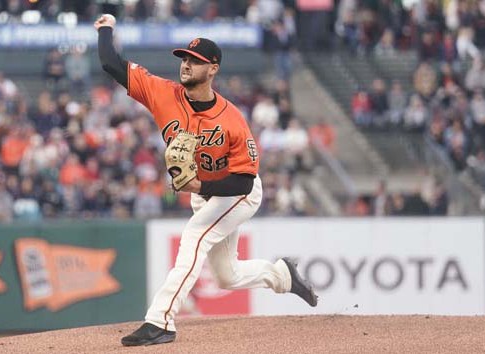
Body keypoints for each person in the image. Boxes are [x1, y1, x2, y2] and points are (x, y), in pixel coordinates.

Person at [94, 14, 318, 347]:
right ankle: (281, 274)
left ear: (212, 69)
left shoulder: (231, 119)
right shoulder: (162, 93)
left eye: (195, 61)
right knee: (228, 275)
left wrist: (197, 186)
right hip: (206, 194)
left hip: (237, 192)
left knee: (194, 236)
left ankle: (161, 321)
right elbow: (110, 63)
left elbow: (243, 182)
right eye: (185, 57)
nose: (186, 64)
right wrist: (106, 28)